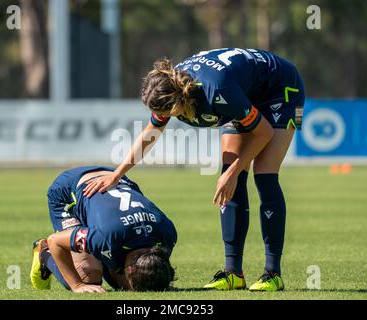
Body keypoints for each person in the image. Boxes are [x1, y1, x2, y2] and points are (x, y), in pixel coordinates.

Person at [83, 48, 305, 292]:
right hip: (244, 90)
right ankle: (233, 273)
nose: (161, 117)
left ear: (178, 102)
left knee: (264, 174)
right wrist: (118, 174)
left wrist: (232, 173)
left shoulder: (217, 91)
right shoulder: (170, 87)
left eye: (165, 112)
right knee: (231, 175)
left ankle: (273, 273)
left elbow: (265, 133)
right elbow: (151, 134)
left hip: (279, 87)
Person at [30, 166, 177, 293]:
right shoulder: (104, 236)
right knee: (89, 278)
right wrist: (77, 285)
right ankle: (44, 253)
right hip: (69, 191)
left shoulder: (167, 236)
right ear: (129, 269)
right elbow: (55, 241)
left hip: (112, 177)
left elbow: (152, 268)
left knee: (124, 284)